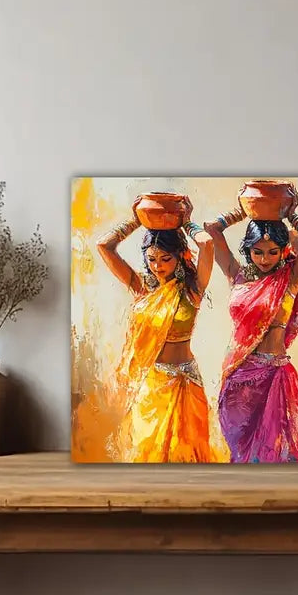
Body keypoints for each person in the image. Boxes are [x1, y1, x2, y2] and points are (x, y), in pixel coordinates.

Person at [204, 185, 298, 463]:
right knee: (241, 452)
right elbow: (211, 230)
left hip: (274, 377)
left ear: (283, 251)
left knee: (274, 454)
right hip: (239, 378)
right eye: (257, 252)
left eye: (272, 252)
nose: (265, 259)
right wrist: (243, 211)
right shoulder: (237, 275)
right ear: (248, 250)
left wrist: (290, 214)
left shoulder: (291, 278)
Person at [96, 196, 219, 462]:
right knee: (149, 453)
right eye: (151, 259)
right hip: (152, 385)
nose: (158, 266)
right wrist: (136, 220)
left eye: (165, 258)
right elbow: (104, 246)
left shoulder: (192, 291)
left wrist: (186, 222)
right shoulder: (141, 289)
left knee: (189, 455)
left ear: (181, 257)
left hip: (186, 383)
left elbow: (207, 244)